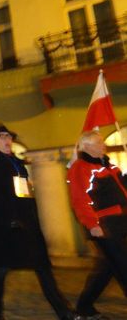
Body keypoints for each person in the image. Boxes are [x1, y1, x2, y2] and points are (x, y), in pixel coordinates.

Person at [0, 123, 79, 320]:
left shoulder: (19, 164)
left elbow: (25, 194)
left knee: (43, 268)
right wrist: (8, 220)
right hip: (5, 230)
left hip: (27, 227)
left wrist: (30, 220)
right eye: (1, 137)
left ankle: (64, 312)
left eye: (8, 136)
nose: (7, 140)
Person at [68, 131, 127, 320]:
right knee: (123, 265)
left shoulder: (109, 166)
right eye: (99, 142)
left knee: (107, 268)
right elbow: (80, 199)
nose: (104, 145)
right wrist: (92, 224)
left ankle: (84, 308)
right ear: (87, 147)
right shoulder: (80, 168)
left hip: (120, 222)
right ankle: (83, 308)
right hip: (104, 225)